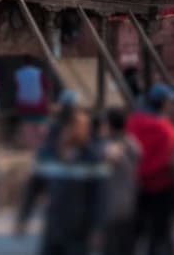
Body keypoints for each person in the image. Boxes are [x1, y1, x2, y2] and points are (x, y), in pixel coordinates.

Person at [16, 105, 106, 255]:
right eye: (74, 126)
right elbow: (33, 189)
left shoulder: (91, 157)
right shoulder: (47, 154)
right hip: (54, 228)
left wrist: (98, 228)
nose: (79, 131)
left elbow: (99, 196)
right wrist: (23, 217)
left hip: (80, 230)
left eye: (81, 127)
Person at [128, 83, 174, 255]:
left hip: (134, 185)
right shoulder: (165, 129)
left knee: (135, 233)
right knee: (159, 234)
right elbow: (169, 159)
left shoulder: (133, 122)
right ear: (163, 103)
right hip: (160, 186)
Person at [102, 108, 142, 255]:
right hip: (130, 205)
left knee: (111, 249)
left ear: (109, 125)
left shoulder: (108, 146)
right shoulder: (133, 143)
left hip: (111, 208)